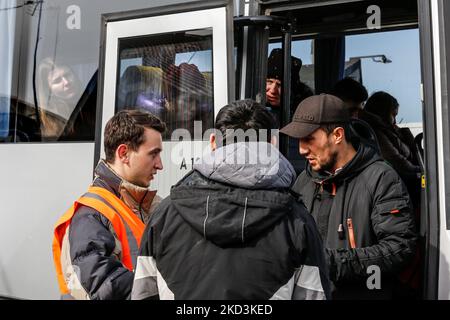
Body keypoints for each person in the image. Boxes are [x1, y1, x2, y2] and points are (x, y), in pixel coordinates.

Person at [131, 99, 330, 300]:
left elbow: (143, 294)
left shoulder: (164, 215)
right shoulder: (298, 221)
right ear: (272, 143)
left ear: (213, 142)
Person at [280, 94, 417, 299]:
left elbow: (400, 248)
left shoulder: (381, 178)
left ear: (337, 135)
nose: (301, 149)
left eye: (309, 138)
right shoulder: (303, 181)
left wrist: (333, 263)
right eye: (299, 139)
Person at [52, 110, 165, 299]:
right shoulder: (90, 215)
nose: (160, 165)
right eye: (153, 154)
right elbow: (106, 287)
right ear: (124, 153)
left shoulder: (149, 205)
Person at [37, 58, 83, 141]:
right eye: (57, 81)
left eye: (68, 75)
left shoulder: (90, 100)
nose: (66, 82)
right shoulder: (52, 116)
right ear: (48, 90)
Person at [266, 48, 313, 126]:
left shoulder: (302, 119)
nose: (273, 90)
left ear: (291, 90)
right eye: (269, 82)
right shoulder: (253, 110)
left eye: (279, 85)